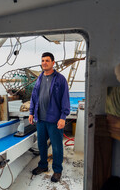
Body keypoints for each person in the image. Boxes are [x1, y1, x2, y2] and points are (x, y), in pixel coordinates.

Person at [29, 52, 70, 182]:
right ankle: (43, 166)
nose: (44, 63)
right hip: (40, 119)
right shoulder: (39, 78)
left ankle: (57, 170)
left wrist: (63, 117)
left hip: (54, 120)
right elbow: (34, 97)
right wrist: (31, 112)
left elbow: (65, 98)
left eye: (47, 60)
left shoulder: (60, 79)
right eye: (42, 60)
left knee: (57, 147)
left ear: (53, 62)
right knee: (41, 144)